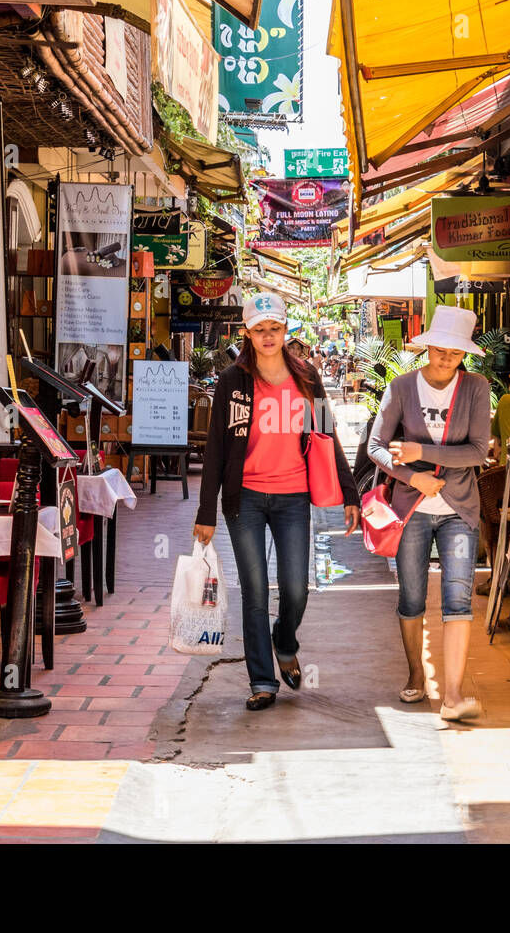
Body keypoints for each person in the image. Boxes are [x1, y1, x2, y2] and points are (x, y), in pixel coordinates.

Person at [194, 294, 361, 711]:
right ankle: (263, 681)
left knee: (295, 589)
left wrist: (349, 492)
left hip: (292, 497)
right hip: (244, 498)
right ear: (247, 333)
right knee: (254, 591)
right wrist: (205, 511)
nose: (267, 336)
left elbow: (326, 435)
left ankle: (284, 642)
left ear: (285, 331)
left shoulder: (305, 376)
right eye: (259, 329)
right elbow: (216, 447)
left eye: (275, 328)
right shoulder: (233, 380)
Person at [368, 306, 491, 721]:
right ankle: (417, 674)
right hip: (411, 508)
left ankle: (452, 694)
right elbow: (375, 447)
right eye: (440, 350)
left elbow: (477, 452)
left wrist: (422, 452)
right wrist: (412, 476)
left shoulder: (475, 388)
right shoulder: (402, 388)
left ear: (464, 357)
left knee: (458, 600)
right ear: (428, 347)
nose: (446, 360)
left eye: (455, 355)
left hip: (459, 507)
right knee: (412, 596)